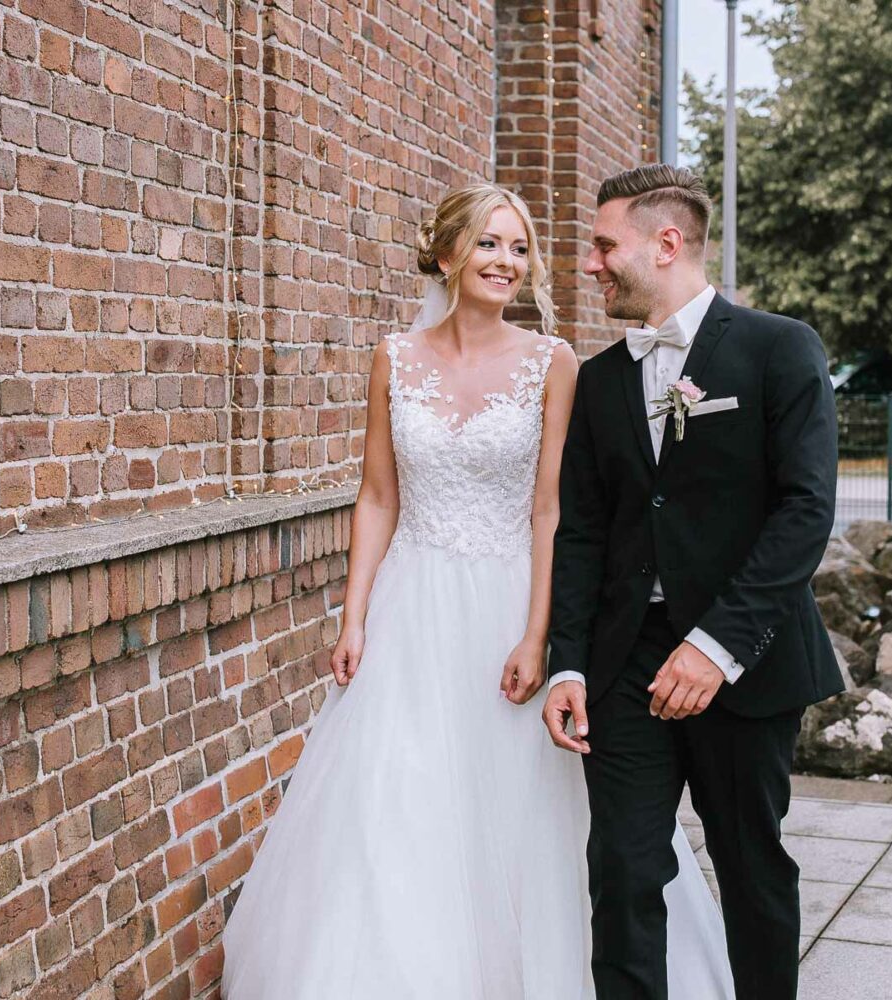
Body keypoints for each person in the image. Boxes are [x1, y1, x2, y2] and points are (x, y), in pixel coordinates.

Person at [220, 182, 733, 999]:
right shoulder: (393, 356)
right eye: (491, 244)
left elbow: (550, 507)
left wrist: (538, 635)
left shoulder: (552, 362)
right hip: (411, 608)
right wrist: (353, 617)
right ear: (450, 253)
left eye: (519, 247)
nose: (508, 261)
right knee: (398, 802)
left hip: (509, 603)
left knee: (525, 813)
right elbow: (378, 496)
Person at [543, 163, 843, 1000]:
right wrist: (569, 662)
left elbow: (805, 512)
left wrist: (715, 648)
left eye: (605, 246)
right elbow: (584, 534)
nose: (593, 264)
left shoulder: (780, 348)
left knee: (752, 867)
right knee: (623, 868)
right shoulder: (601, 382)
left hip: (743, 661)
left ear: (666, 242)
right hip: (625, 665)